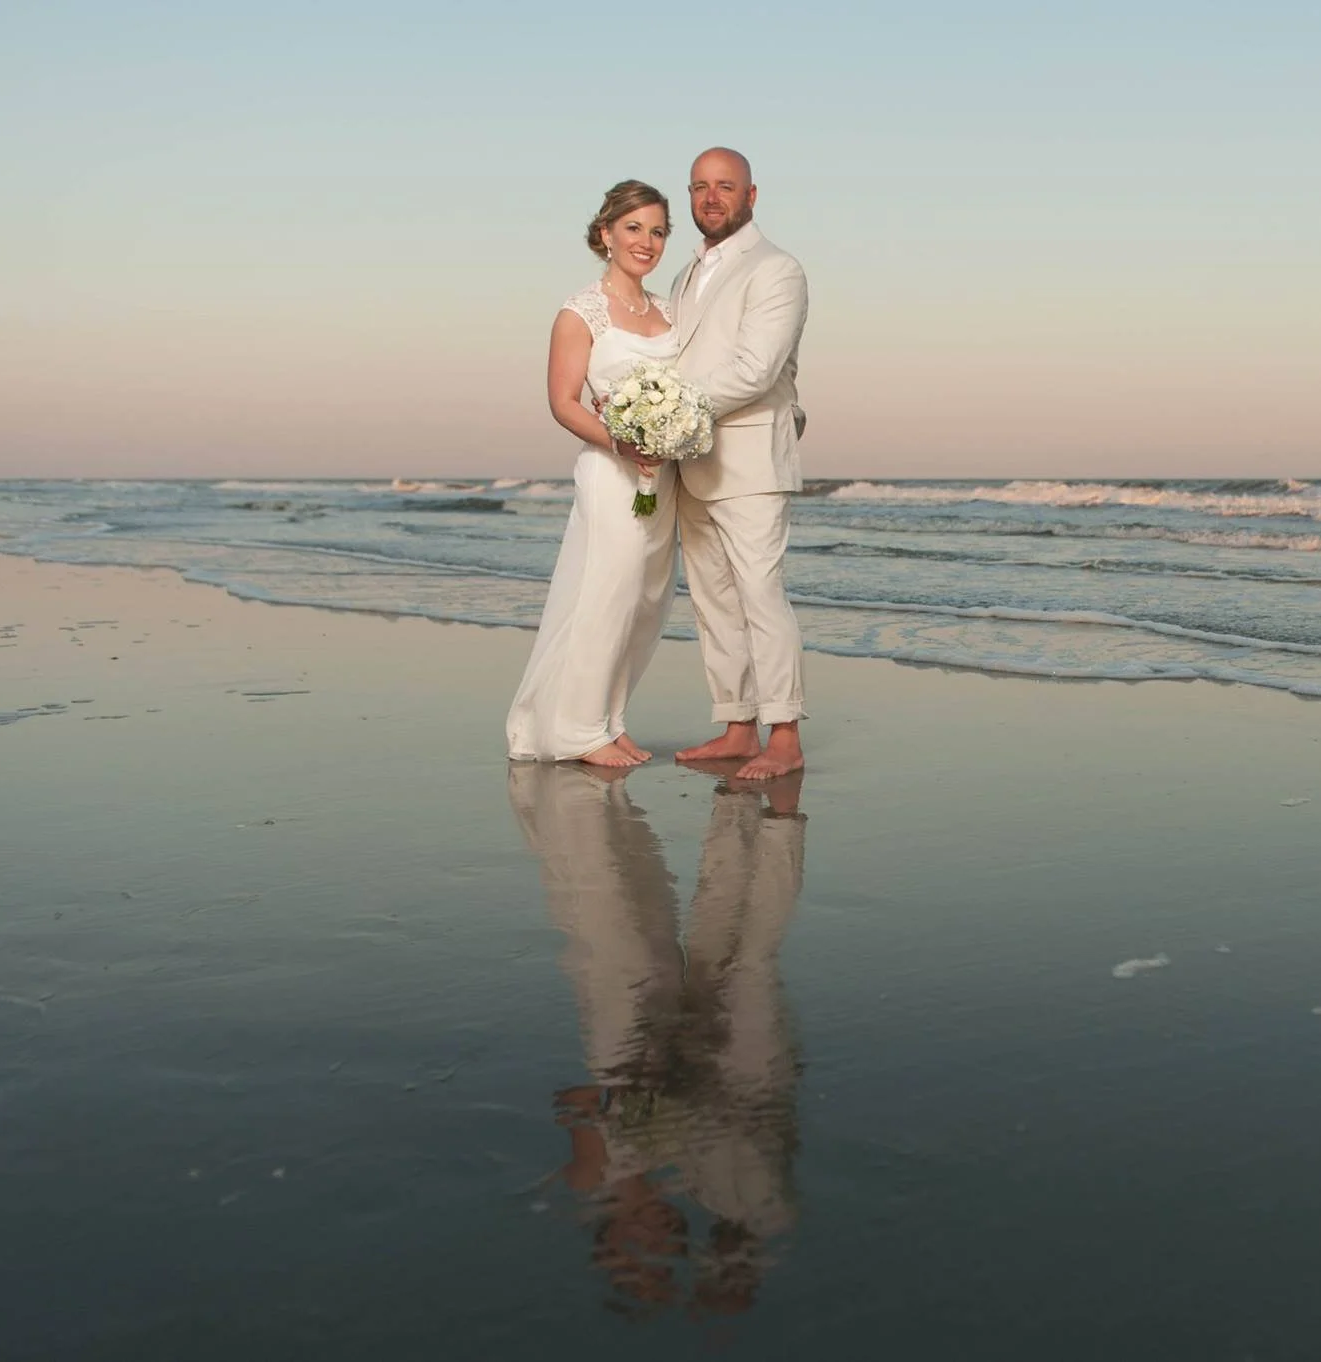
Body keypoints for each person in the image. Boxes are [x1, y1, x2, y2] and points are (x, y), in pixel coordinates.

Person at [508, 761, 806, 1318]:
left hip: (655, 1054)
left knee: (685, 953)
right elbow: (755, 1222)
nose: (662, 1242)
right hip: (738, 1080)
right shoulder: (709, 1189)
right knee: (745, 965)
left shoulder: (594, 1182)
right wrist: (728, 1284)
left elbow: (573, 1099)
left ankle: (736, 805)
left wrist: (612, 1132)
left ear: (609, 1241)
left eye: (640, 1252)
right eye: (668, 1254)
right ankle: (777, 816)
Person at [506, 182, 683, 767]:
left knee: (645, 600)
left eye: (658, 231)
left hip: (663, 479)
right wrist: (624, 442)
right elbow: (564, 402)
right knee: (606, 595)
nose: (647, 242)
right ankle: (577, 731)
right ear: (605, 234)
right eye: (634, 228)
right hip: (612, 475)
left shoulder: (669, 311)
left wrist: (672, 431)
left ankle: (609, 721)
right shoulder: (578, 312)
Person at [666, 147, 812, 781]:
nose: (711, 198)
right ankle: (735, 725)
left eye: (726, 186)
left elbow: (755, 370)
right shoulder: (683, 275)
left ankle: (783, 736)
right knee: (713, 598)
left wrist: (667, 413)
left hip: (749, 456)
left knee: (759, 594)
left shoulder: (777, 270)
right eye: (700, 187)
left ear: (752, 196)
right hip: (692, 460)